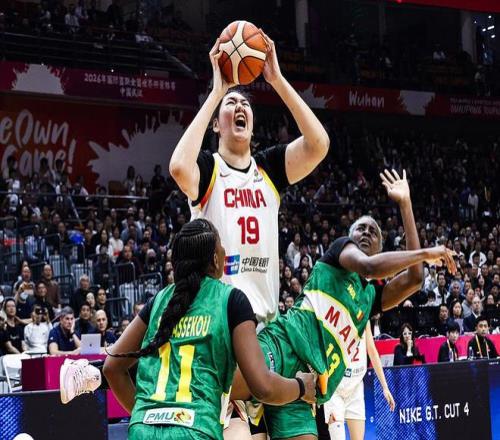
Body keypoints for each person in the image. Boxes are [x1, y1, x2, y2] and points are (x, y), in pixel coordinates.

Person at [169, 32, 328, 437]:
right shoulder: (208, 169)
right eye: (231, 104)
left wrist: (276, 80)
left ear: (253, 123)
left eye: (245, 104)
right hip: (225, 330)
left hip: (271, 331)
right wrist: (216, 92)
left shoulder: (268, 169)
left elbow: (318, 144)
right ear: (216, 124)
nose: (239, 106)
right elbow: (178, 167)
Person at [231, 170, 455, 439]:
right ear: (350, 239)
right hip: (284, 345)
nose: (367, 232)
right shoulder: (339, 253)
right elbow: (368, 267)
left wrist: (406, 204)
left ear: (380, 247)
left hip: (308, 385)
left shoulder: (371, 298)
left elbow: (415, 279)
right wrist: (425, 253)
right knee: (225, 386)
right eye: (361, 228)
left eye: (373, 231)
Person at [94, 218, 316, 439]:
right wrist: (300, 387)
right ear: (215, 259)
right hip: (195, 429)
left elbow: (112, 368)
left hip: (142, 430)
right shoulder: (231, 299)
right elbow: (263, 387)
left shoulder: (158, 300)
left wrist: (144, 416)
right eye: (221, 247)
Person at [324, 323, 395, 440]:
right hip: (335, 386)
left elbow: (372, 351)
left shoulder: (364, 318)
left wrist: (385, 387)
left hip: (355, 385)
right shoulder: (333, 314)